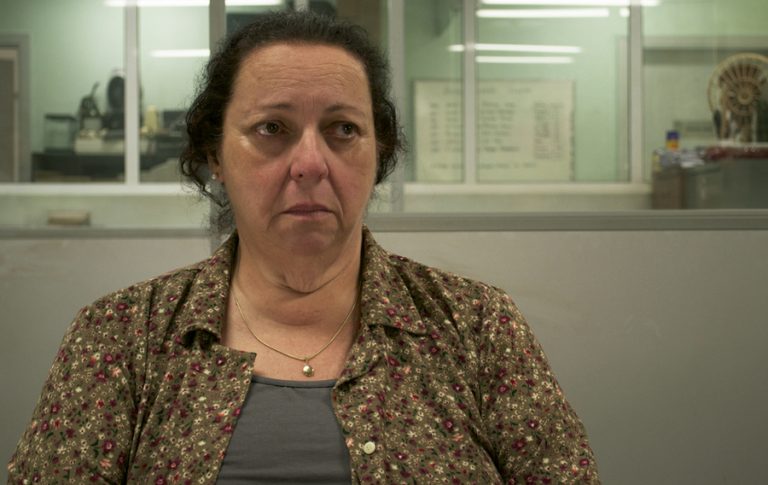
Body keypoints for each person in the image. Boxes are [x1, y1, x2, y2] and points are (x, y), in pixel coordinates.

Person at [8, 10, 599, 484]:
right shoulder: (120, 338)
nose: (311, 164)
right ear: (216, 155)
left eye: (343, 129)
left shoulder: (477, 327)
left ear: (378, 154)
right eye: (273, 129)